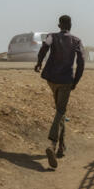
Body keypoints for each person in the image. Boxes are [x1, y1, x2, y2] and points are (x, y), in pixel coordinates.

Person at [34, 15, 85, 169]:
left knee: (60, 111)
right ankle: (52, 144)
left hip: (52, 79)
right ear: (71, 25)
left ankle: (61, 146)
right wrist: (75, 81)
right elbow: (81, 60)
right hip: (65, 80)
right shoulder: (76, 40)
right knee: (61, 111)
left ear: (59, 25)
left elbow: (44, 47)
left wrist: (38, 63)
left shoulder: (52, 36)